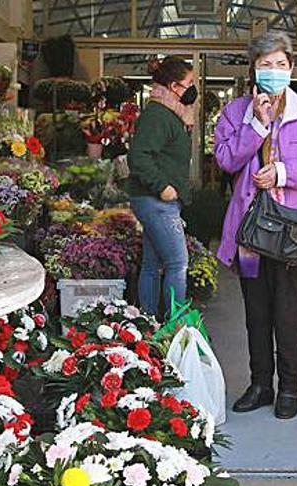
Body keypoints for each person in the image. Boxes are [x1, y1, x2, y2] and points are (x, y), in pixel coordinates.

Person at [214, 31, 297, 420]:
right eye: (265, 64)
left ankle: (289, 389)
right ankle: (260, 384)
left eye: (280, 65)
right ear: (253, 68)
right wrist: (258, 125)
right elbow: (225, 160)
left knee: (287, 310)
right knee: (255, 311)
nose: (273, 71)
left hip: (293, 231)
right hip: (250, 231)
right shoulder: (237, 112)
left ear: (292, 68)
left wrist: (283, 172)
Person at [127, 57, 198, 317]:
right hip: (157, 201)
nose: (193, 89)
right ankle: (173, 325)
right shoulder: (158, 115)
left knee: (151, 264)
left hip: (154, 200)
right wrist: (163, 186)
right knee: (178, 263)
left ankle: (147, 319)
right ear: (173, 86)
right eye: (189, 83)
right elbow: (139, 157)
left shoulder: (168, 113)